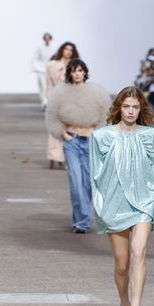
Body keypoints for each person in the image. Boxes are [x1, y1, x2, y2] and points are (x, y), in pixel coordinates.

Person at [89, 85, 154, 306]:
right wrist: (100, 206)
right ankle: (125, 302)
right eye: (126, 106)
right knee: (122, 265)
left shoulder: (153, 137)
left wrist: (153, 200)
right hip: (114, 201)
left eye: (135, 107)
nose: (131, 111)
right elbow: (95, 176)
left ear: (140, 109)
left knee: (138, 253)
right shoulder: (102, 137)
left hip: (144, 201)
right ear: (118, 108)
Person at [46, 58, 110, 233]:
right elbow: (52, 115)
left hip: (91, 141)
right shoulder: (60, 93)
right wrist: (63, 134)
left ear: (85, 72)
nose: (77, 74)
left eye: (80, 70)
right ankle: (82, 222)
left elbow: (106, 115)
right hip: (71, 141)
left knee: (89, 183)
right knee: (75, 181)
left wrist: (98, 134)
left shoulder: (97, 93)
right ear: (70, 73)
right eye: (74, 71)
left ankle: (83, 217)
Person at [44, 41, 78, 169]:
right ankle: (54, 156)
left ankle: (68, 158)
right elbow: (48, 84)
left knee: (71, 130)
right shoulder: (52, 65)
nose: (68, 52)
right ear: (61, 50)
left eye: (71, 50)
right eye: (66, 49)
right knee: (55, 129)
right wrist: (49, 99)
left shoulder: (76, 65)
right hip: (56, 99)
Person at [31, 32, 53, 108]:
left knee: (50, 87)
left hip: (50, 70)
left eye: (48, 38)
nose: (47, 39)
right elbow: (34, 58)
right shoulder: (40, 48)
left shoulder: (53, 49)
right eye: (45, 38)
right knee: (42, 86)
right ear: (44, 39)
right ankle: (44, 103)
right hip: (40, 70)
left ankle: (49, 102)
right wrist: (35, 68)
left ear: (50, 39)